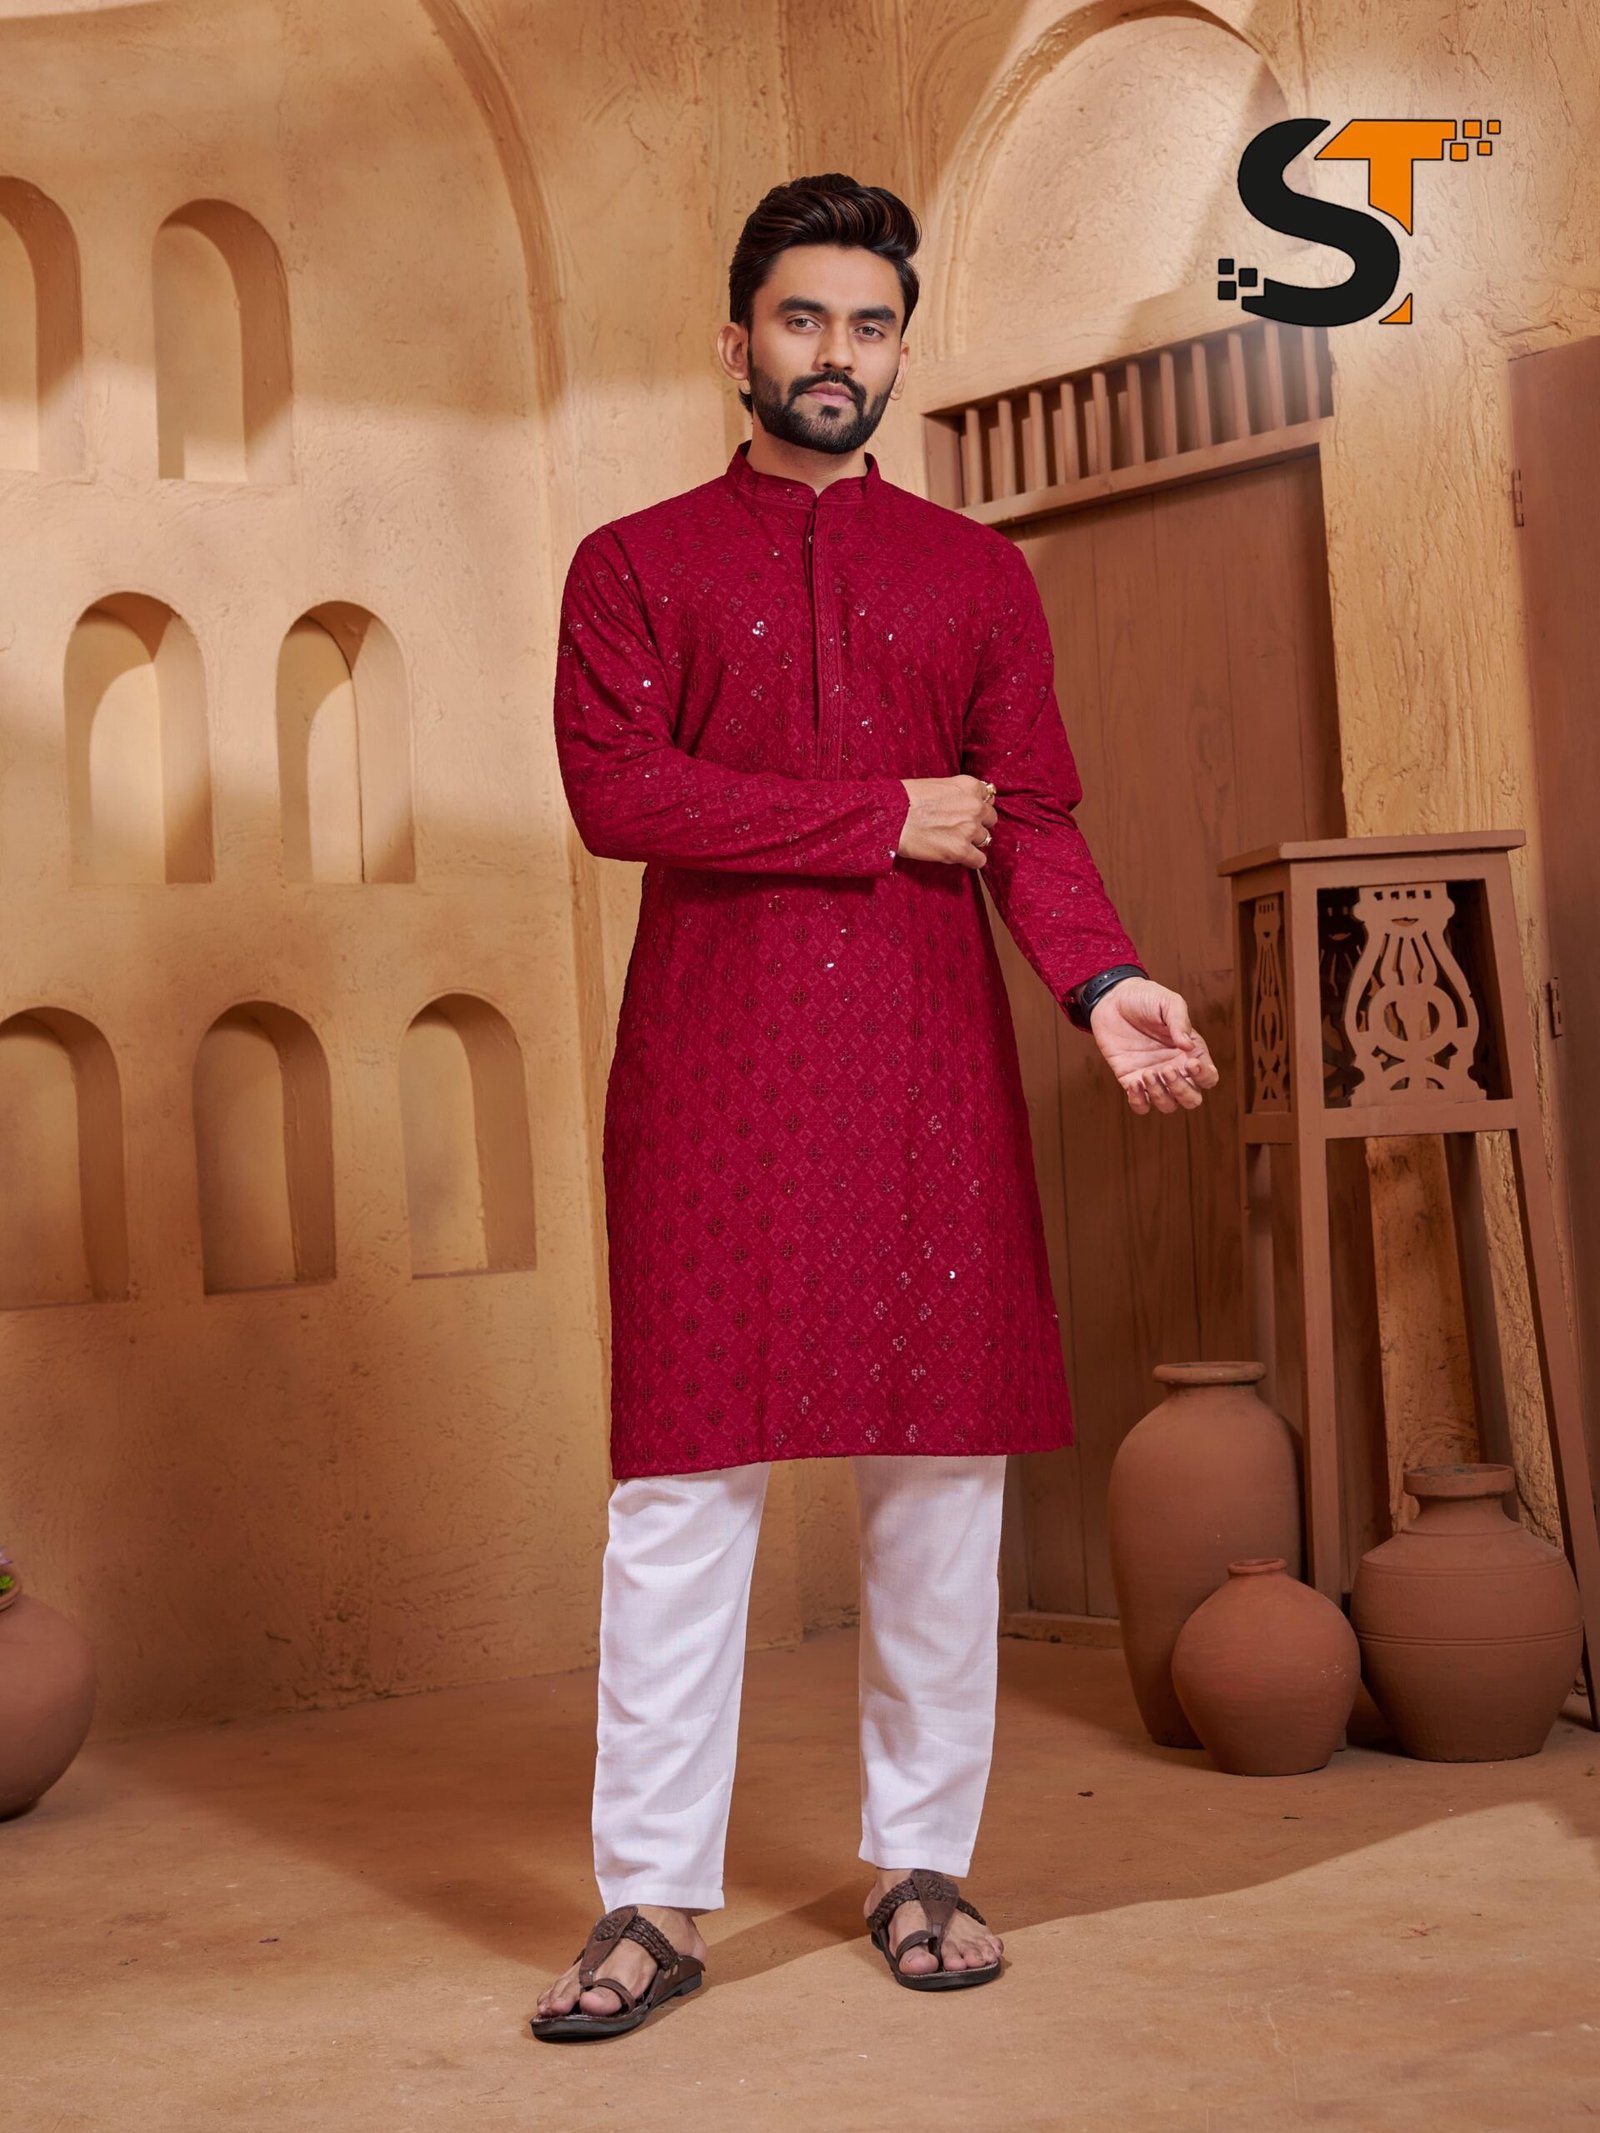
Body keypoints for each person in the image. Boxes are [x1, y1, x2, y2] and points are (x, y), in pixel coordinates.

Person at [532, 172, 1218, 2041]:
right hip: (714, 1080)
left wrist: (1102, 982)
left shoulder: (975, 578)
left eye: (869, 324)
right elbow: (620, 793)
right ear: (738, 338)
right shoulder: (635, 563)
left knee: (939, 1482)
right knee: (682, 1494)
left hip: (926, 1075)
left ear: (900, 349)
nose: (836, 353)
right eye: (803, 318)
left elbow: (1032, 815)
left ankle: (924, 1864)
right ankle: (652, 1897)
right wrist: (881, 813)